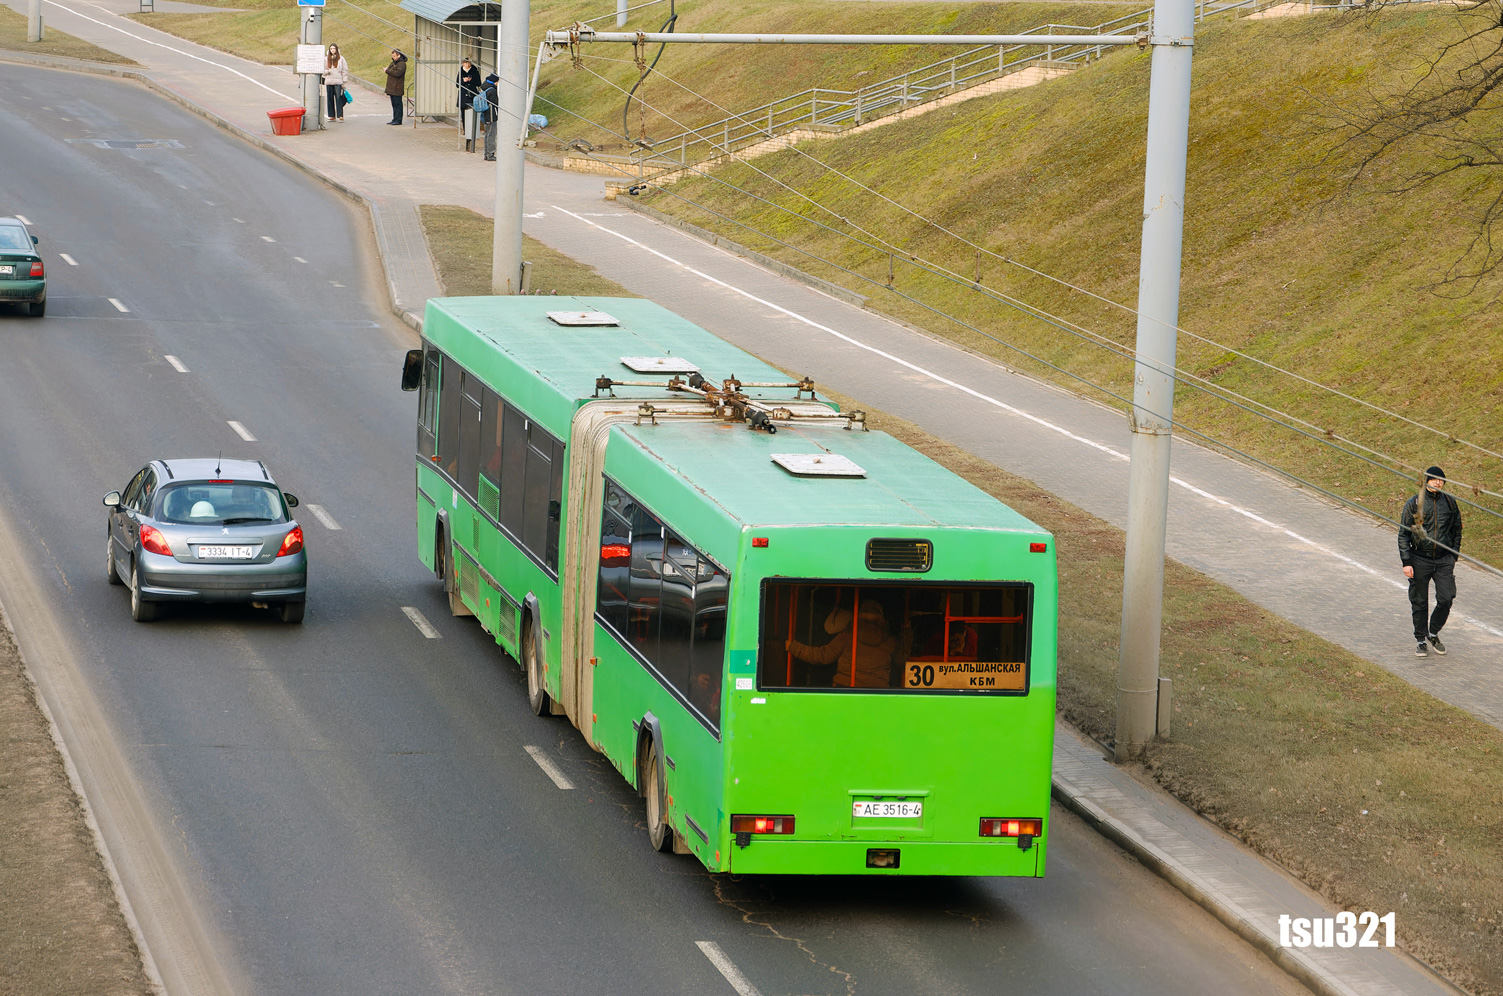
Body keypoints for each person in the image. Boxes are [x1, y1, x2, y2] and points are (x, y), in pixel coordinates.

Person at [1399, 466, 1463, 658]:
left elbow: (1457, 531)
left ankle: (1432, 632)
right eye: (1434, 479)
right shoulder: (1415, 503)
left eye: (1441, 480)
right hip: (1419, 559)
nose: (1438, 482)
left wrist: (1453, 556)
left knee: (1446, 597)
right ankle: (1420, 639)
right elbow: (1404, 534)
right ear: (1426, 481)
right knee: (1419, 601)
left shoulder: (1450, 503)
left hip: (1444, 560)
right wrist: (1406, 562)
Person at [786, 599, 897, 688]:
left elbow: (823, 656)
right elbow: (901, 660)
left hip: (846, 687)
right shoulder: (890, 641)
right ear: (882, 618)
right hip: (878, 692)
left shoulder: (848, 635)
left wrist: (793, 647)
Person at [456, 57, 483, 151]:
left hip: (472, 93)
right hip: (463, 94)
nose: (467, 65)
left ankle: (473, 129)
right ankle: (465, 128)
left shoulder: (475, 71)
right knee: (463, 111)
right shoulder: (460, 71)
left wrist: (470, 80)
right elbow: (457, 84)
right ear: (463, 64)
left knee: (472, 111)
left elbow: (479, 83)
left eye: (468, 63)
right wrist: (463, 81)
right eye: (465, 63)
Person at [322, 44, 349, 123]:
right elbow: (322, 70)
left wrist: (344, 82)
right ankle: (331, 116)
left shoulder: (341, 59)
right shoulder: (326, 59)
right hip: (329, 81)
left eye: (334, 48)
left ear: (337, 49)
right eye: (331, 48)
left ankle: (340, 115)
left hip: (338, 81)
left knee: (338, 98)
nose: (332, 50)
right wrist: (327, 72)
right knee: (330, 99)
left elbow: (345, 70)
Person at [480, 72, 499, 161]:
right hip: (491, 115)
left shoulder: (484, 88)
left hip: (484, 115)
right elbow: (496, 104)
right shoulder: (492, 90)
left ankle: (486, 153)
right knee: (491, 134)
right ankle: (490, 153)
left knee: (487, 134)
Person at [384, 50, 407, 126]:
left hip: (397, 87)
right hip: (392, 88)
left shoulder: (402, 64)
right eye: (392, 56)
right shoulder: (394, 63)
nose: (393, 58)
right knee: (394, 104)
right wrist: (389, 70)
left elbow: (397, 73)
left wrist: (387, 71)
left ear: (399, 55)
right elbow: (392, 70)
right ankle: (394, 119)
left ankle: (398, 120)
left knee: (398, 104)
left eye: (394, 56)